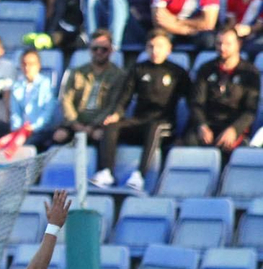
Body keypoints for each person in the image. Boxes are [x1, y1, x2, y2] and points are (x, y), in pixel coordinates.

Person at [93, 30, 187, 189]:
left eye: (160, 46)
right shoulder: (138, 69)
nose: (155, 50)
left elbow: (191, 101)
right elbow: (125, 97)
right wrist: (116, 114)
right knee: (111, 126)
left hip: (164, 123)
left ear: (169, 49)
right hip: (139, 120)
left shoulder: (177, 72)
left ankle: (140, 176)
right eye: (151, 46)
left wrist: (184, 133)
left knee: (154, 127)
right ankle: (106, 172)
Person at [183, 27, 260, 155]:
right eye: (219, 43)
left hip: (232, 125)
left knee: (230, 148)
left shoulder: (250, 73)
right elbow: (196, 102)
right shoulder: (206, 69)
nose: (222, 48)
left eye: (228, 44)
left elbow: (250, 110)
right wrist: (201, 125)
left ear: (238, 45)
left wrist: (234, 130)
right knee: (189, 143)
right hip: (208, 124)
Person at [52, 29, 129, 148]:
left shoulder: (119, 75)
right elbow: (66, 100)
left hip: (99, 123)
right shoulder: (77, 72)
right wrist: (75, 123)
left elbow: (112, 105)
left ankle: (101, 167)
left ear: (111, 51)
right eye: (95, 48)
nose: (99, 52)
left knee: (100, 136)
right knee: (59, 135)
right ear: (90, 50)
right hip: (76, 121)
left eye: (104, 49)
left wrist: (92, 126)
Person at [8, 47, 59, 145]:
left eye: (31, 64)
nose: (27, 67)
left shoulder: (46, 84)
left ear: (38, 65)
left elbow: (47, 113)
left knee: (27, 144)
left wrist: (33, 127)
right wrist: (17, 129)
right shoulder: (16, 85)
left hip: (41, 130)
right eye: (24, 64)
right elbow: (15, 112)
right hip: (21, 131)